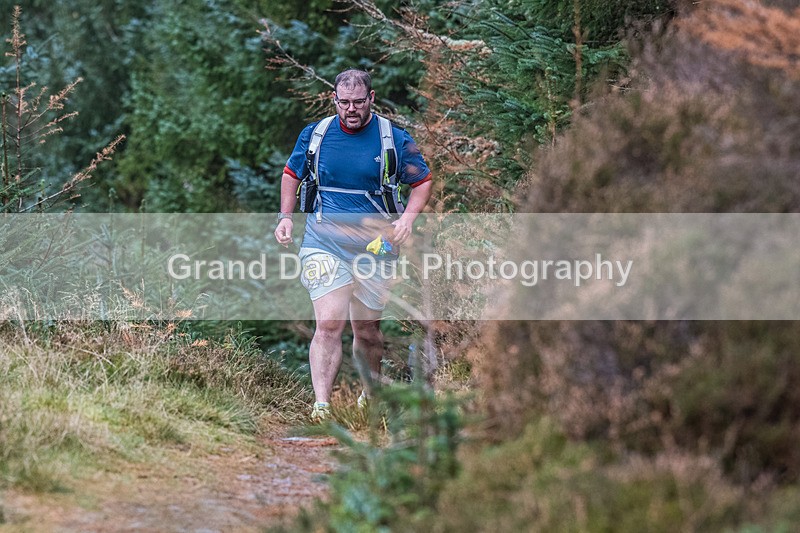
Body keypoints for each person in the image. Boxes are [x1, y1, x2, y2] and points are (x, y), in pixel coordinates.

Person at [274, 68, 433, 420]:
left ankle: (368, 397)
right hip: (323, 242)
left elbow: (422, 181)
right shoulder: (316, 135)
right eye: (344, 102)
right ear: (334, 99)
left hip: (377, 247)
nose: (351, 109)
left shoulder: (393, 139)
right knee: (329, 323)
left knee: (367, 330)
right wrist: (285, 217)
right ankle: (322, 406)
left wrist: (407, 219)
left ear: (371, 99)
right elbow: (291, 174)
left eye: (358, 102)